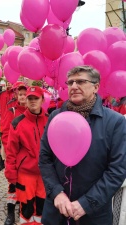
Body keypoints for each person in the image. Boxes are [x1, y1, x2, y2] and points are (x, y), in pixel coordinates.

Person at [39, 66, 126, 225]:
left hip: (94, 215)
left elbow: (117, 169)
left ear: (96, 87)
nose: (73, 86)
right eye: (70, 82)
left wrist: (86, 203)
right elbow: (45, 159)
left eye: (80, 81)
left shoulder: (115, 122)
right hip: (56, 211)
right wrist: (56, 192)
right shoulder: (56, 117)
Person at [5, 86, 48, 225]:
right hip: (25, 174)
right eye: (30, 98)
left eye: (36, 98)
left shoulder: (50, 120)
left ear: (42, 100)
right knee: (27, 208)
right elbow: (11, 151)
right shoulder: (17, 122)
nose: (33, 101)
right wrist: (11, 173)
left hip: (44, 174)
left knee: (42, 207)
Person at [1, 84, 27, 225]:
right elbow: (5, 132)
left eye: (25, 94)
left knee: (26, 182)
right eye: (21, 94)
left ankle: (23, 206)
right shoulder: (12, 110)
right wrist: (9, 150)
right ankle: (10, 211)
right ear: (16, 95)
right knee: (13, 182)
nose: (23, 96)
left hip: (28, 156)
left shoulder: (33, 110)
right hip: (14, 153)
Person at [0, 82, 17, 171]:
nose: (9, 85)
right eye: (8, 83)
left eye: (11, 83)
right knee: (2, 142)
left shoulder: (15, 94)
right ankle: (1, 162)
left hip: (14, 121)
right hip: (4, 122)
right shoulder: (2, 94)